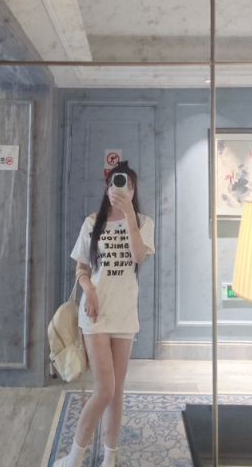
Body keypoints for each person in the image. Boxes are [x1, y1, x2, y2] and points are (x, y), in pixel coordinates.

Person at [54, 161, 155, 467]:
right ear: (107, 188)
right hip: (95, 313)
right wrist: (88, 290)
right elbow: (81, 268)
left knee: (117, 390)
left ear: (133, 190)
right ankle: (75, 458)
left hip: (124, 313)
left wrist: (129, 217)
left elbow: (138, 256)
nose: (120, 189)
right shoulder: (92, 223)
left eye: (127, 185)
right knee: (104, 390)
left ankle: (109, 457)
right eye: (115, 183)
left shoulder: (143, 222)